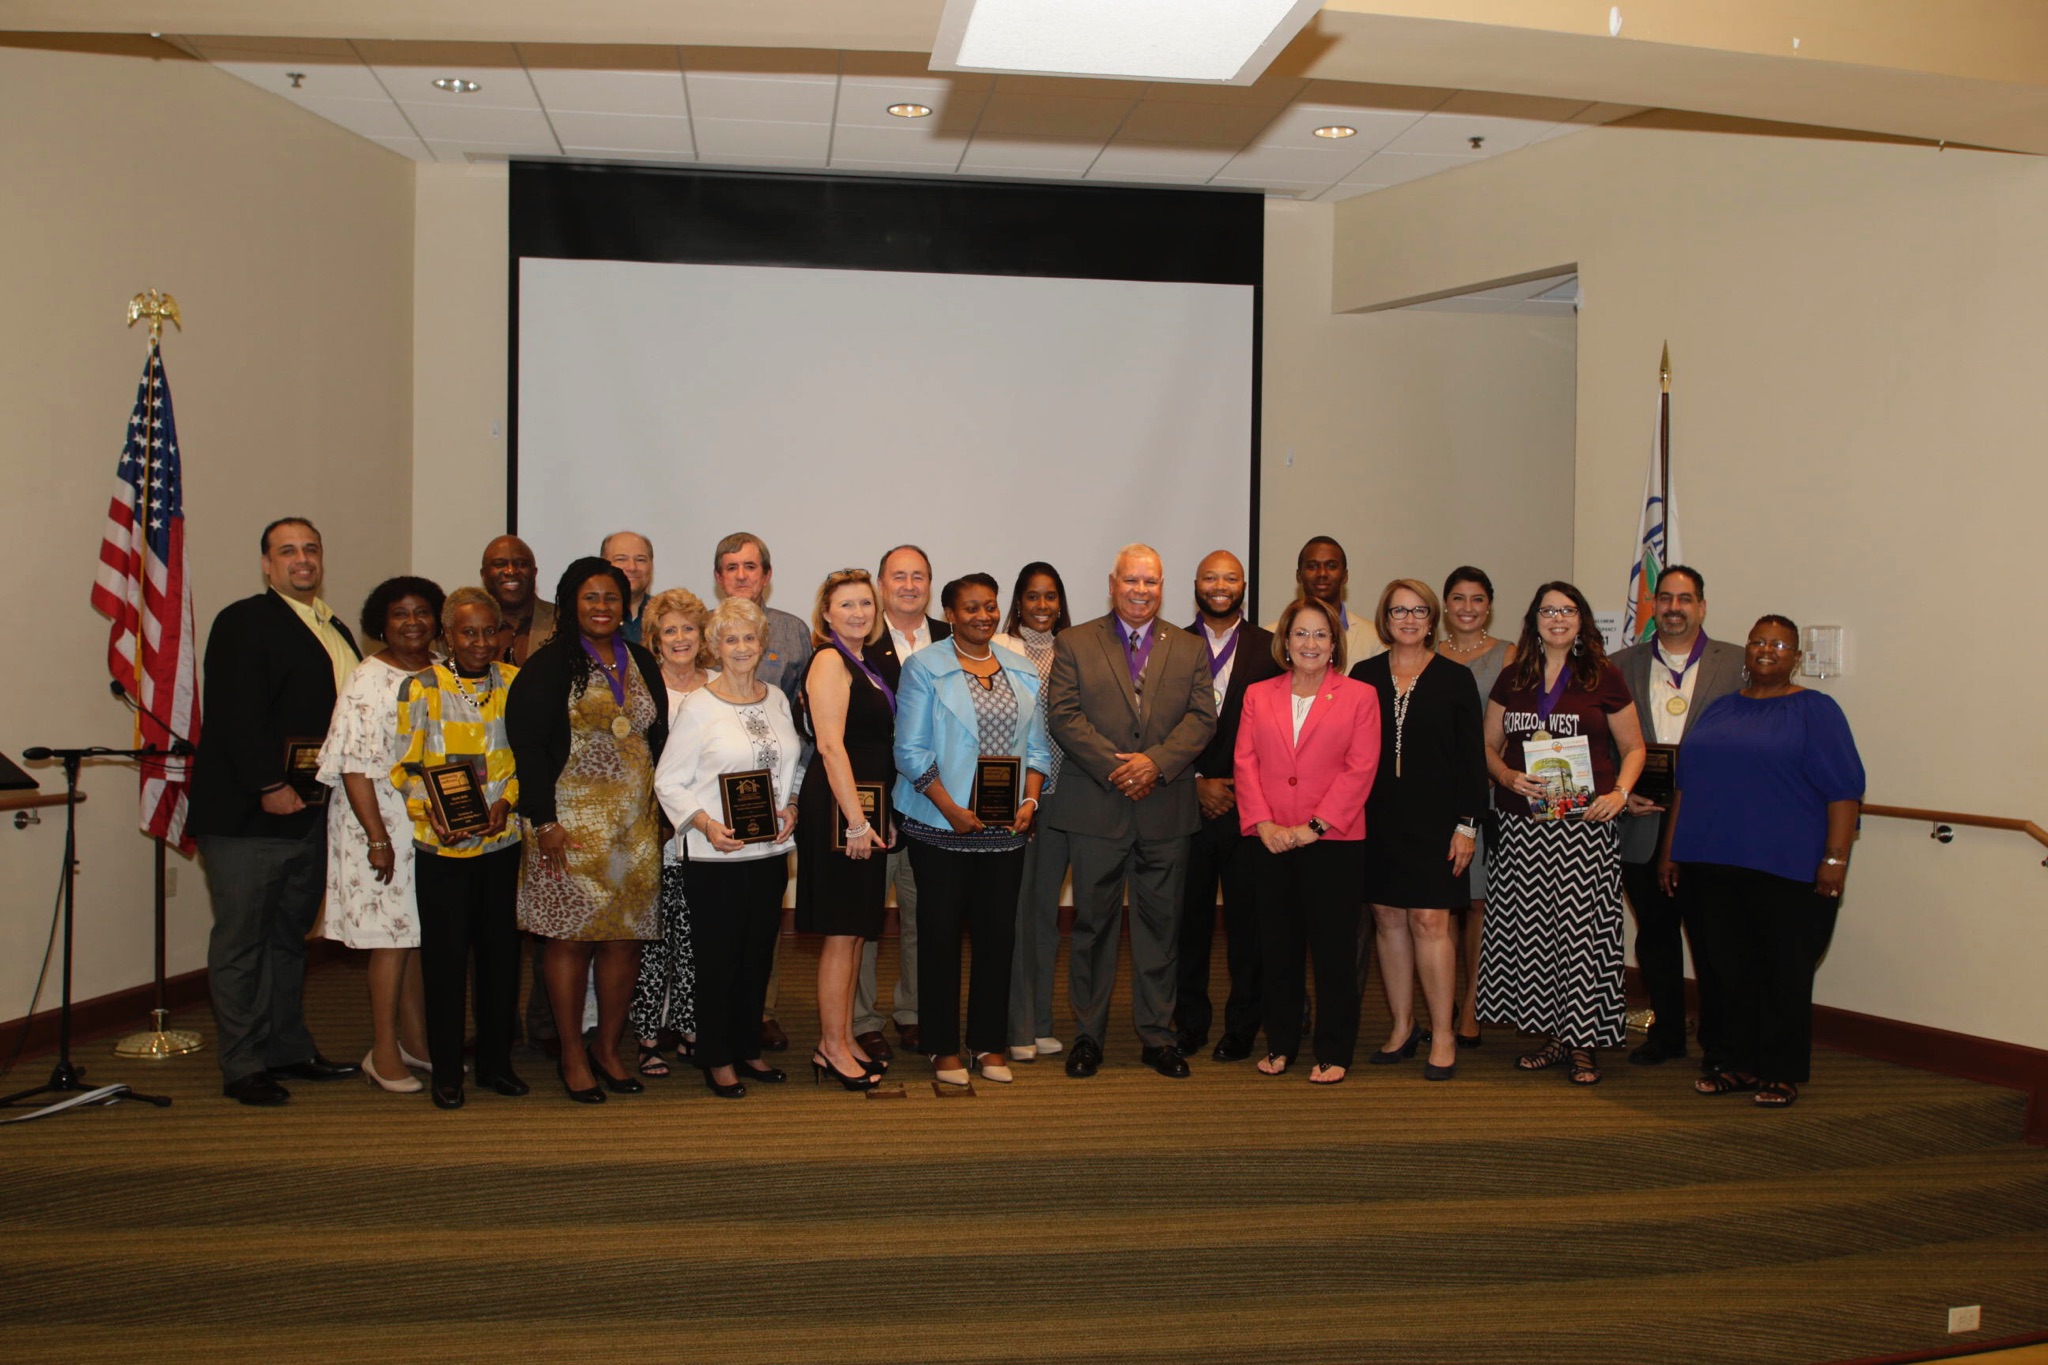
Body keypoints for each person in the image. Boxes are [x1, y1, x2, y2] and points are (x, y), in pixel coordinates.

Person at [189, 517, 363, 1105]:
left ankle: (287, 1047)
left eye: (311, 549)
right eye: (287, 551)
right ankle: (242, 1063)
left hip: (310, 812)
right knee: (242, 942)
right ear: (267, 564)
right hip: (249, 816)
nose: (302, 560)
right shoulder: (245, 621)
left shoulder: (332, 625)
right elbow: (237, 714)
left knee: (289, 939)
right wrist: (268, 783)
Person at [1661, 616, 1865, 1108]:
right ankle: (1732, 1062)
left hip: (1787, 867)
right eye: (1758, 641)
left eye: (1779, 643)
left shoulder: (1816, 710)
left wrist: (1835, 858)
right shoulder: (1719, 709)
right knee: (1723, 969)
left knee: (1783, 970)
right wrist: (1670, 852)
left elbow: (1844, 791)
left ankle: (1779, 1070)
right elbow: (1685, 787)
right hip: (1710, 862)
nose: (1766, 649)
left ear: (1796, 656)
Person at [1043, 544, 1217, 1080]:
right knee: (1093, 927)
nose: (1141, 591)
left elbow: (1201, 718)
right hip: (1097, 807)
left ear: (1162, 587)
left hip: (1165, 810)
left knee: (1160, 930)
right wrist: (1120, 769)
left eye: (1152, 582)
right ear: (1113, 583)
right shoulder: (1074, 642)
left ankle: (1157, 1037)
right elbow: (1064, 716)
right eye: (1132, 581)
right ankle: (1088, 1038)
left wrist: (1155, 765)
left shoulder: (1189, 648)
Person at [505, 557, 666, 1104]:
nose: (602, 607)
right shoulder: (549, 665)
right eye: (591, 597)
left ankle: (608, 1049)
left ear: (626, 605)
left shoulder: (641, 659)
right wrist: (543, 820)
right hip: (567, 827)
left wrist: (659, 816)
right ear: (572, 603)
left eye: (612, 598)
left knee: (624, 941)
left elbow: (656, 738)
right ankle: (572, 1053)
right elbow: (527, 748)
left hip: (633, 830)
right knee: (570, 941)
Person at [1481, 581, 1646, 1087]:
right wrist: (1506, 776)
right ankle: (1553, 1036)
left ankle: (1583, 1044)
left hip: (1584, 827)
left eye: (1568, 610)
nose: (1558, 618)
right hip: (1523, 825)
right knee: (1534, 936)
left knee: (1582, 937)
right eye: (1548, 610)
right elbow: (1487, 745)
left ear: (1581, 620)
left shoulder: (1605, 676)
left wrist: (1619, 793)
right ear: (1533, 619)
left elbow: (1635, 747)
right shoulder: (1513, 677)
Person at [896, 574, 1051, 1086]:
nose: (982, 616)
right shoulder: (924, 667)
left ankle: (988, 1043)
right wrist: (951, 809)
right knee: (938, 937)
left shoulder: (1023, 669)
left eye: (989, 607)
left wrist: (1030, 799)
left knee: (996, 937)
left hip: (1005, 829)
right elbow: (910, 752)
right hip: (941, 825)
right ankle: (941, 1048)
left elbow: (1038, 749)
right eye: (970, 608)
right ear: (950, 612)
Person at [654, 597, 806, 1099]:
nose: (741, 647)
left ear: (764, 645)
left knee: (757, 956)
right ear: (715, 647)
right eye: (730, 638)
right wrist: (703, 823)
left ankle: (748, 1048)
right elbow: (668, 781)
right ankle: (716, 1057)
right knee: (717, 960)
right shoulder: (700, 706)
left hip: (768, 855)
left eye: (750, 637)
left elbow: (791, 767)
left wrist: (792, 807)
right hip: (715, 856)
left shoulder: (777, 701)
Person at [1235, 597, 1381, 1083]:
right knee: (1277, 948)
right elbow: (1245, 763)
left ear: (1335, 643)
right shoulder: (1259, 694)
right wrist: (1263, 824)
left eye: (1321, 634)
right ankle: (1280, 1044)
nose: (1310, 643)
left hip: (1333, 843)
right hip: (1272, 841)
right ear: (1285, 641)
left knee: (1334, 952)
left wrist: (1314, 827)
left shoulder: (1360, 696)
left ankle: (1334, 1049)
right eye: (1301, 634)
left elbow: (1360, 770)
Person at [394, 586, 527, 1109]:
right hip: (443, 849)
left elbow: (522, 760)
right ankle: (447, 1070)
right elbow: (405, 766)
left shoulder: (516, 683)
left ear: (501, 634)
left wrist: (508, 803)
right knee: (446, 962)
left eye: (487, 631)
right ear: (447, 635)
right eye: (467, 632)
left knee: (501, 960)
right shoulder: (420, 687)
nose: (478, 641)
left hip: (501, 841)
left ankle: (496, 1064)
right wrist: (432, 812)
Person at [1351, 579, 1486, 1081]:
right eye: (1398, 611)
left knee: (1430, 922)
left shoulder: (1455, 679)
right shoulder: (1362, 675)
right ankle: (1402, 1026)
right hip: (1377, 820)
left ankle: (1443, 1033)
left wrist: (1467, 825)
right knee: (1387, 920)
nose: (1408, 619)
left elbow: (1473, 761)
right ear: (1385, 619)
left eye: (1418, 611)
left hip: (1438, 824)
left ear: (1432, 620)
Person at [1611, 565, 1744, 1069]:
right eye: (1664, 598)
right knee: (1657, 937)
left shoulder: (1735, 664)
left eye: (1684, 599)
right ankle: (1666, 1034)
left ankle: (1719, 1042)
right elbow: (1606, 744)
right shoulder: (1620, 664)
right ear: (1652, 607)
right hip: (1643, 823)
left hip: (1711, 827)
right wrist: (1621, 794)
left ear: (1702, 606)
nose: (1673, 608)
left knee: (1714, 940)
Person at [316, 576, 441, 1096]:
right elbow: (352, 767)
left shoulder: (441, 671)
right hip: (377, 824)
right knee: (388, 941)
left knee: (414, 937)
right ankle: (382, 1051)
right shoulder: (369, 678)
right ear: (380, 624)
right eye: (399, 614)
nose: (412, 622)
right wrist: (377, 838)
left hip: (426, 827)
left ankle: (415, 1042)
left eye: (422, 612)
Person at [1174, 550, 1280, 1062]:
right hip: (1182, 804)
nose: (1220, 586)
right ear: (1195, 584)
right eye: (1210, 577)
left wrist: (1237, 787)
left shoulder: (1270, 648)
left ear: (1243, 585)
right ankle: (1189, 1021)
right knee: (1186, 923)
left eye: (1230, 578)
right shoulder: (1168, 644)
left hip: (1249, 807)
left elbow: (1282, 732)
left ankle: (1243, 1026)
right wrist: (1194, 781)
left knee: (1250, 926)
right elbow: (1152, 726)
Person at [710, 531, 812, 1053]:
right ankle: (702, 1017)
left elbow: (806, 726)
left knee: (763, 918)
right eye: (731, 567)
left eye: (751, 567)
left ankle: (762, 1010)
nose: (742, 576)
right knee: (712, 922)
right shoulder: (702, 633)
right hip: (711, 803)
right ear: (718, 578)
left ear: (767, 576)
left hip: (772, 799)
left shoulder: (795, 633)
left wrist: (793, 797)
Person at [795, 569, 894, 1092]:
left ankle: (844, 1037)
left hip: (862, 806)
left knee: (856, 928)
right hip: (839, 809)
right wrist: (857, 821)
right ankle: (830, 1046)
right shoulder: (830, 661)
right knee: (840, 931)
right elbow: (832, 747)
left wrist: (881, 817)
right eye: (846, 605)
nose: (858, 613)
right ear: (827, 615)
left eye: (865, 604)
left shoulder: (867, 663)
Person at [855, 544, 953, 1061]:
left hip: (937, 805)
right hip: (877, 800)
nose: (909, 585)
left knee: (925, 914)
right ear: (880, 582)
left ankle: (914, 1013)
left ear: (930, 583)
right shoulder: (859, 641)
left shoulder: (951, 638)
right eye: (899, 576)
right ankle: (864, 1019)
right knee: (867, 915)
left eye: (919, 576)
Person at [628, 588, 717, 1078]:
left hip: (709, 834)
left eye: (688, 628)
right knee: (655, 937)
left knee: (693, 934)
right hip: (654, 830)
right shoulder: (643, 689)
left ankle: (687, 1026)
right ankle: (645, 1035)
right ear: (654, 639)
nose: (680, 638)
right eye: (669, 630)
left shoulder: (720, 683)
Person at [995, 561, 1073, 1063]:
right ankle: (1016, 1024)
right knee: (1016, 914)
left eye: (1051, 597)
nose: (1042, 606)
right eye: (1032, 597)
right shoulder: (998, 651)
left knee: (1046, 913)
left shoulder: (1078, 650)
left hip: (1065, 798)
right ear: (1017, 603)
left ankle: (1042, 1021)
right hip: (1016, 799)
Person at [1435, 566, 1515, 1047]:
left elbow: (1520, 721)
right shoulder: (1427, 653)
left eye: (1477, 599)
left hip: (1484, 792)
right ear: (1445, 605)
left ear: (1489, 605)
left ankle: (1472, 1004)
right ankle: (1442, 1002)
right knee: (1440, 907)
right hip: (1434, 798)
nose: (1467, 607)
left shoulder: (1509, 655)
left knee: (1478, 904)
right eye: (1459, 598)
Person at [1264, 536, 1381, 667]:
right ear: (1299, 576)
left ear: (1345, 576)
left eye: (1331, 566)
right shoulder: (1270, 635)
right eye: (1312, 566)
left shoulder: (1375, 637)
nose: (1322, 573)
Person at [482, 534, 554, 666]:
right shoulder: (464, 626)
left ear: (534, 573)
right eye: (499, 564)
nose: (511, 571)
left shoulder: (563, 621)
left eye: (521, 564)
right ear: (484, 575)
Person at [601, 530, 656, 645]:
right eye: (621, 559)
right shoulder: (590, 618)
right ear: (603, 564)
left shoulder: (666, 615)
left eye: (640, 560)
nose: (632, 567)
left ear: (651, 566)